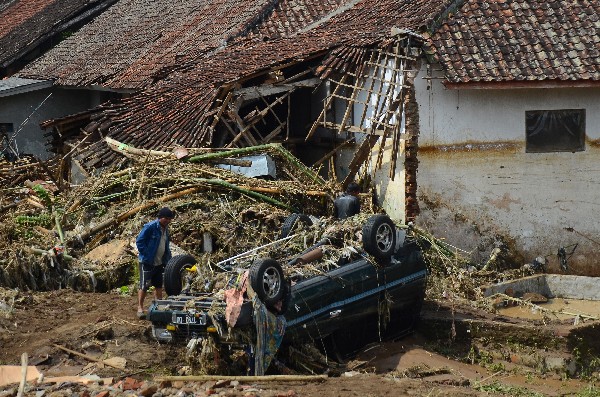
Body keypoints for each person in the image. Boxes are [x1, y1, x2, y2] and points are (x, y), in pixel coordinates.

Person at [136, 207, 174, 319]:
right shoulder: (150, 227)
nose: (168, 220)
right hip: (147, 262)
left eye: (169, 219)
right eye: (166, 218)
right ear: (160, 217)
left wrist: (168, 258)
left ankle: (159, 307)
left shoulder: (165, 229)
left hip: (159, 262)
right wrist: (147, 255)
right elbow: (139, 241)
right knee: (144, 285)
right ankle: (140, 308)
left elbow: (166, 245)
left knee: (158, 285)